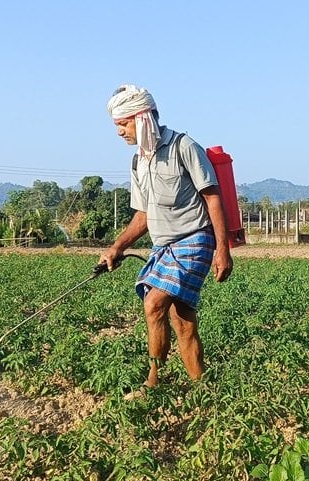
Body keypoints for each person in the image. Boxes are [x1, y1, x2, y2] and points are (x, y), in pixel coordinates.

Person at [99, 85, 233, 390]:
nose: (120, 132)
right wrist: (117, 247)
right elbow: (143, 216)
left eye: (123, 123)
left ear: (142, 117)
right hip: (163, 247)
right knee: (182, 322)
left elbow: (213, 198)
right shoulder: (138, 161)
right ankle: (204, 388)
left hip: (195, 239)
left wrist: (222, 249)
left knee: (154, 303)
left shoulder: (183, 147)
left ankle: (152, 383)